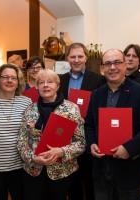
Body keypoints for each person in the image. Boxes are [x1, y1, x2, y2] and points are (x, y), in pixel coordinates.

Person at [85, 49, 140, 200]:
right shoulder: (96, 95)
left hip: (130, 170)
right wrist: (92, 143)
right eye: (107, 64)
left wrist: (129, 148)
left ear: (125, 65)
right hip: (101, 170)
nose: (112, 67)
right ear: (102, 69)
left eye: (117, 62)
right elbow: (89, 125)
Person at [17, 69, 86, 200]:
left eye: (50, 82)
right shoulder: (29, 110)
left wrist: (60, 151)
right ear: (37, 87)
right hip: (34, 170)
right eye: (41, 82)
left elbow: (81, 143)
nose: (46, 85)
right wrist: (33, 158)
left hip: (62, 172)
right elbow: (22, 142)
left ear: (58, 86)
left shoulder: (72, 109)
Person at [58, 42, 106, 200]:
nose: (76, 60)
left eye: (80, 56)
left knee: (90, 180)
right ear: (67, 59)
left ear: (86, 58)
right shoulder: (60, 80)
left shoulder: (98, 80)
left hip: (89, 136)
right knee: (72, 181)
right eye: (73, 56)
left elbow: (101, 109)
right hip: (66, 138)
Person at [0, 64, 32, 200]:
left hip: (20, 165)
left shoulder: (26, 102)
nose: (9, 80)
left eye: (13, 78)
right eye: (5, 77)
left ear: (18, 82)